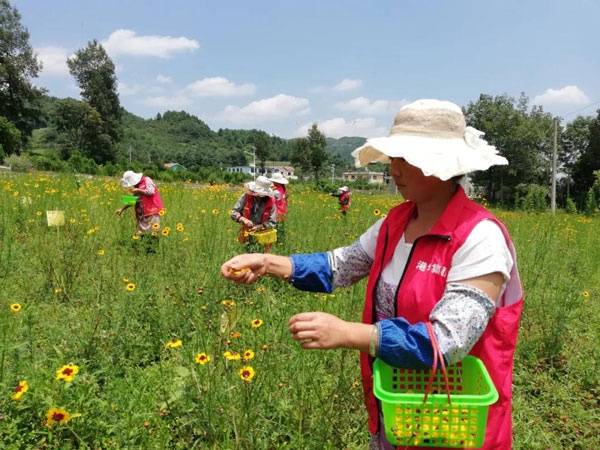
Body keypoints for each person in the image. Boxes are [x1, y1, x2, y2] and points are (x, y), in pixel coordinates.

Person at [221, 99, 523, 449]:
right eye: (393, 158)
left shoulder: (479, 237)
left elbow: (446, 342)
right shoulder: (395, 223)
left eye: (405, 159)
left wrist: (348, 332)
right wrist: (267, 263)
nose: (394, 170)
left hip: (456, 423)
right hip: (395, 408)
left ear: (442, 164)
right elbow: (340, 265)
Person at [230, 175, 277, 252]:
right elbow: (233, 213)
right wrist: (243, 219)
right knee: (245, 257)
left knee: (260, 260)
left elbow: (272, 222)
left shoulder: (271, 202)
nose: (260, 195)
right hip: (245, 233)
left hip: (263, 237)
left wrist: (260, 226)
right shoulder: (246, 196)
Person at [268, 172, 289, 242]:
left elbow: (271, 200)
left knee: (275, 228)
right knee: (280, 228)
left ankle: (278, 241)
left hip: (276, 213)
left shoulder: (276, 192)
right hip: (282, 211)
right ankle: (281, 241)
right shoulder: (282, 189)